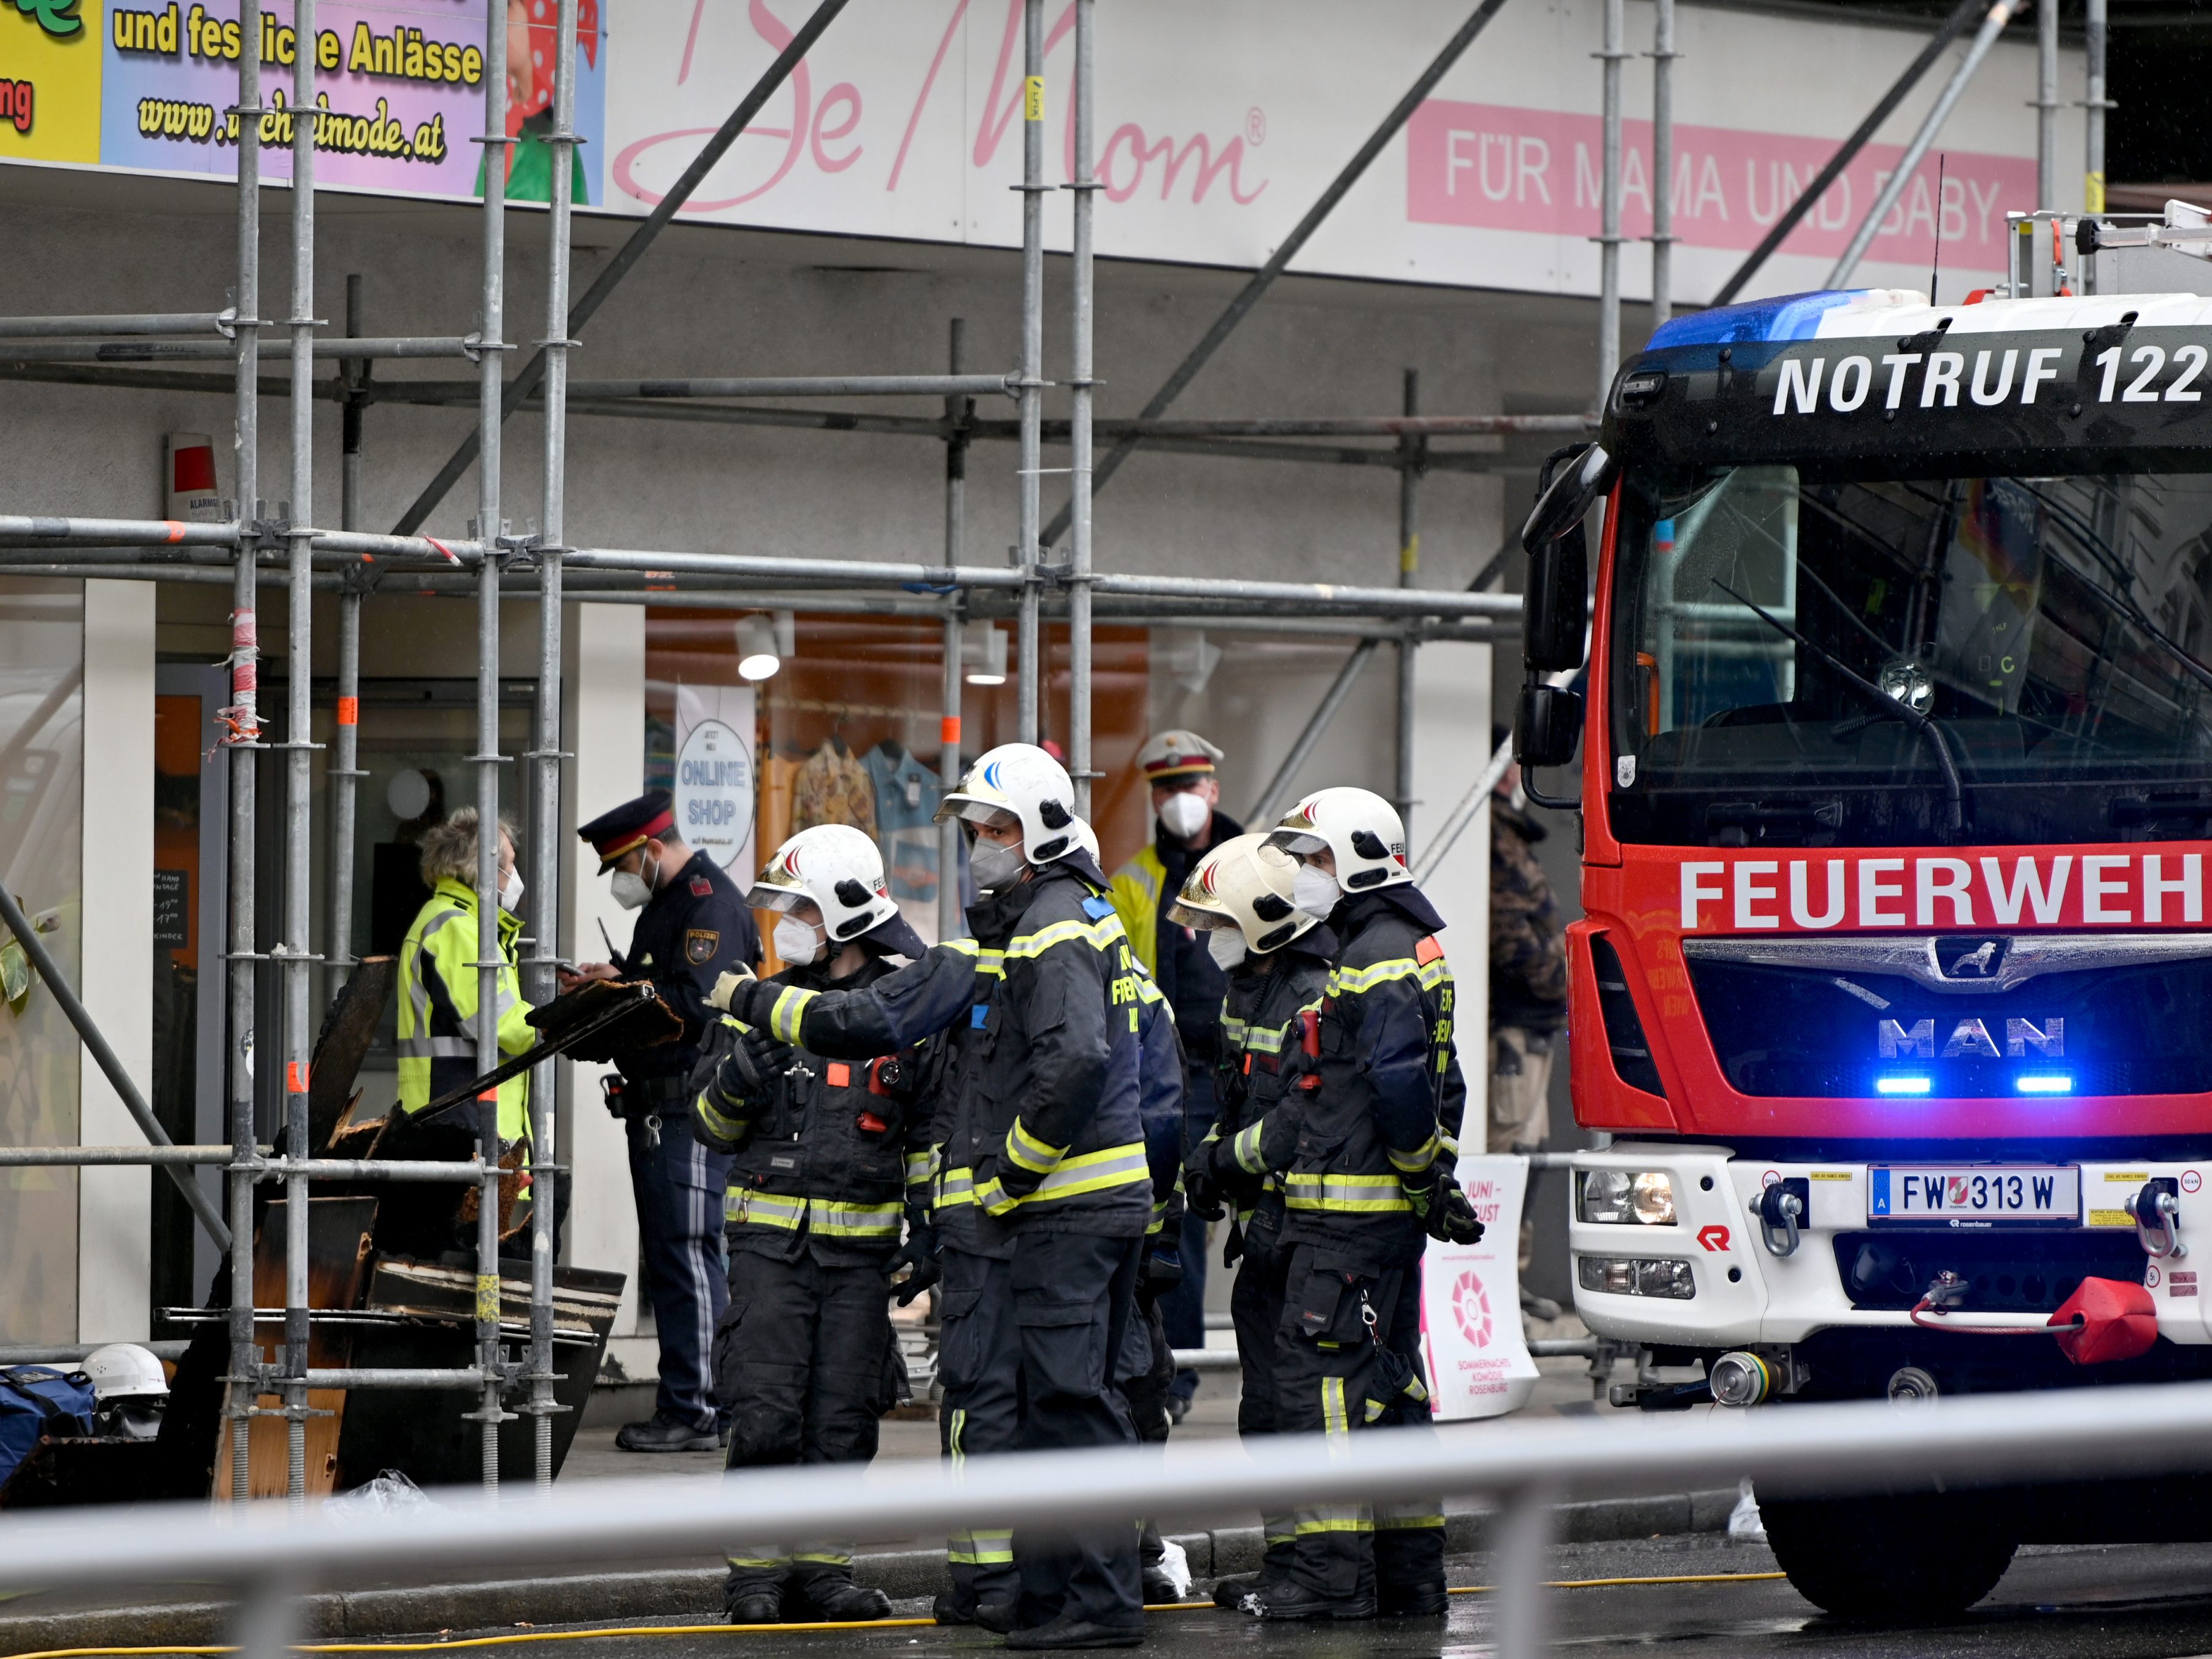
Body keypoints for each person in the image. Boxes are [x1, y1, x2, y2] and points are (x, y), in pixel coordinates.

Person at [715, 744, 1152, 1650]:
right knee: (1039, 1409)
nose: (979, 847)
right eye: (974, 831)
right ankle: (1045, 1598)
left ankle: (1097, 1606)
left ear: (1035, 834)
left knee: (1070, 1407)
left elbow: (1069, 1064)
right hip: (1026, 1222)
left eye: (994, 831)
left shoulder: (1057, 923)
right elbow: (880, 1024)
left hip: (1061, 1213)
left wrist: (1007, 1179)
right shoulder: (1016, 926)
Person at [1251, 787, 1485, 1622]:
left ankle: (1327, 1582)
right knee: (1394, 1395)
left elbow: (1396, 1083)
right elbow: (1440, 1082)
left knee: (1326, 1398)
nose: (1302, 875)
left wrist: (1422, 1179)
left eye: (1312, 858)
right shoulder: (1403, 947)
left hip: (1342, 1232)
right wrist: (1431, 1182)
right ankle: (1410, 1576)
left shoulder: (1376, 952)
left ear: (1354, 858)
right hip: (1381, 1228)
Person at [692, 825, 935, 1626]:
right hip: (769, 1254)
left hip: (861, 1261)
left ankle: (826, 1570)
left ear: (841, 911)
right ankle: (757, 1576)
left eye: (797, 906)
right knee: (765, 1408)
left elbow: (932, 1136)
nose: (783, 922)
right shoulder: (755, 1004)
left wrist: (929, 1233)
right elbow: (707, 1125)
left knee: (841, 1410)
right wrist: (738, 1078)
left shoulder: (905, 1013)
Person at [566, 790, 762, 1453]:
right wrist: (614, 978)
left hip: (691, 1107)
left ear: (652, 851)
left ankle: (698, 1407)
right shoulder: (667, 906)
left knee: (688, 1253)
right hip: (658, 1107)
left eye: (623, 865)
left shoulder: (709, 902)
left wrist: (628, 991)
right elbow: (657, 979)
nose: (620, 880)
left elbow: (698, 1001)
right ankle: (694, 1399)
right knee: (676, 1256)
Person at [1171, 833, 1334, 1611]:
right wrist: (1206, 1164)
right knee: (1266, 1410)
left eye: (1218, 925)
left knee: (1302, 1410)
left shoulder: (1314, 993)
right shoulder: (1247, 996)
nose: (1207, 941)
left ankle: (1321, 1574)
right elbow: (1235, 1106)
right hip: (1268, 1239)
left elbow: (1294, 1126)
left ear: (1263, 920)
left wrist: (1220, 1164)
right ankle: (1288, 1561)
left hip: (1312, 1239)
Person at [1107, 729, 1240, 1421]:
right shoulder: (1135, 881)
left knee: (1273, 1221)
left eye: (1188, 785)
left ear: (1213, 790)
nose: (1177, 801)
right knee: (1179, 1228)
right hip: (1180, 1078)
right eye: (1164, 789)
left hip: (1255, 1073)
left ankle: (1286, 1355)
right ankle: (1180, 1375)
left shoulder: (1254, 863)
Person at [388, 809, 536, 1252]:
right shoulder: (456, 927)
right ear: (483, 867)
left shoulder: (461, 922)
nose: (515, 875)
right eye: (509, 864)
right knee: (470, 1272)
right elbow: (501, 1026)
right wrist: (569, 1020)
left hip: (464, 1121)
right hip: (458, 1124)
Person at [1488, 726, 1570, 1314]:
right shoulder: (1490, 833)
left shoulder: (1509, 830)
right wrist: (1560, 978)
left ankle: (1508, 1282)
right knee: (1507, 1155)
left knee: (1531, 1157)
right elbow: (1504, 930)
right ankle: (1491, 1284)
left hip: (1533, 1025)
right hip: (1512, 1025)